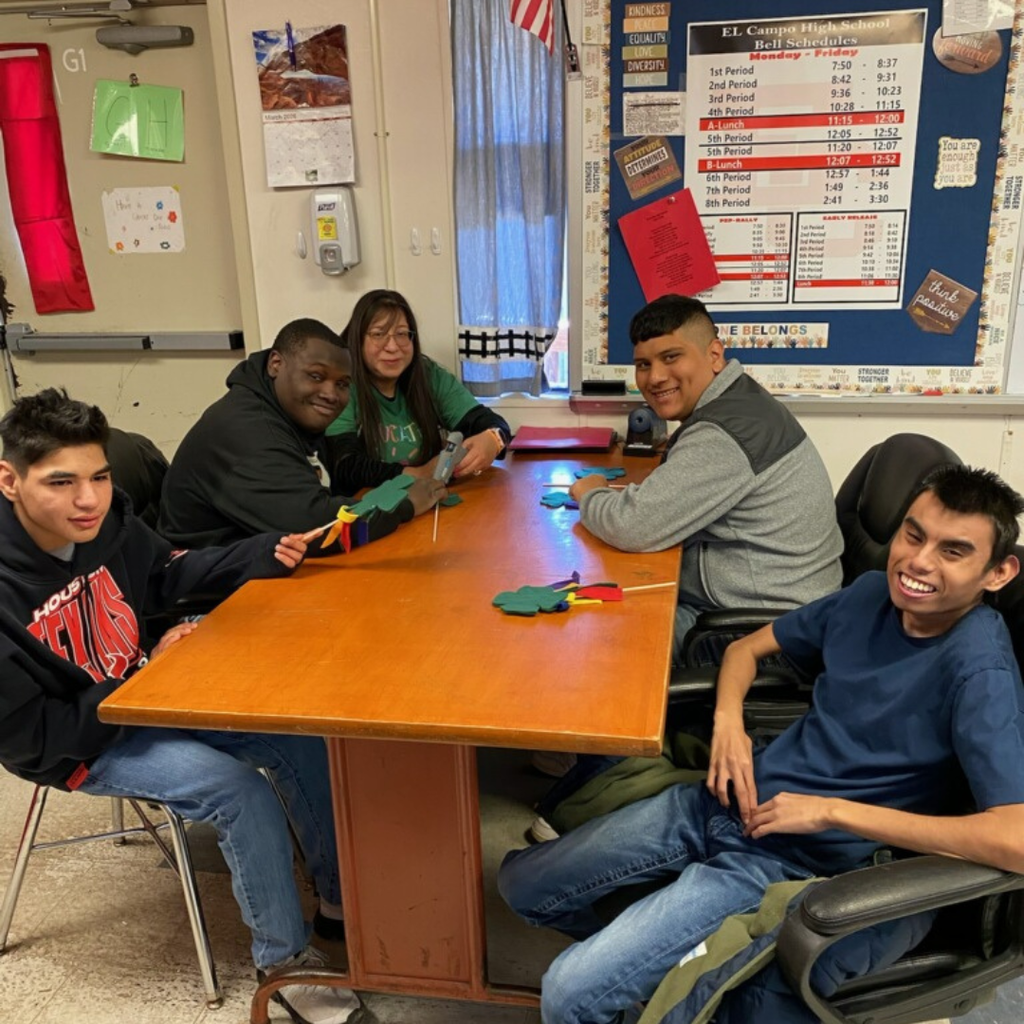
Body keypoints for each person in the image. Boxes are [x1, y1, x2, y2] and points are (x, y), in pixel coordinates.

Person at [500, 463, 1024, 1024]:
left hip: (789, 861)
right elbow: (743, 650)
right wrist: (729, 726)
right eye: (913, 535)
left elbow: (1013, 838)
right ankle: (657, 965)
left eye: (954, 551)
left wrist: (831, 811)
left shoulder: (978, 671)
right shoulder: (870, 594)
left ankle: (656, 972)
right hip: (722, 802)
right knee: (521, 884)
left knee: (568, 994)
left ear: (997, 573)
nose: (918, 562)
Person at [0, 389, 362, 1024]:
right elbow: (32, 735)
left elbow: (164, 573)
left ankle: (337, 902)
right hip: (75, 740)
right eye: (61, 482)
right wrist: (143, 680)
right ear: (10, 480)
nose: (89, 500)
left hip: (143, 690)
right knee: (235, 790)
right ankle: (284, 965)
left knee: (302, 736)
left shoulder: (100, 522)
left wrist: (262, 551)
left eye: (100, 476)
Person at [569, 294, 842, 662]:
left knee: (602, 640)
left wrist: (590, 495)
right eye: (643, 364)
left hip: (766, 634)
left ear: (714, 355)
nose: (655, 377)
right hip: (774, 605)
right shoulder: (737, 401)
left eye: (671, 357)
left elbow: (633, 525)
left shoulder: (724, 432)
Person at [158, 317, 444, 550]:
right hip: (217, 597)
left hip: (259, 563)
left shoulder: (287, 413)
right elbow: (315, 529)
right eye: (316, 376)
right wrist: (404, 507)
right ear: (276, 364)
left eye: (343, 384)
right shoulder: (249, 430)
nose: (331, 394)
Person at [325, 289, 511, 491]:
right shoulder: (342, 385)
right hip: (365, 509)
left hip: (426, 500)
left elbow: (486, 421)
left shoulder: (429, 375)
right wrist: (418, 474)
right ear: (357, 339)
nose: (393, 346)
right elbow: (345, 465)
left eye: (402, 334)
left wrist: (493, 438)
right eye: (378, 334)